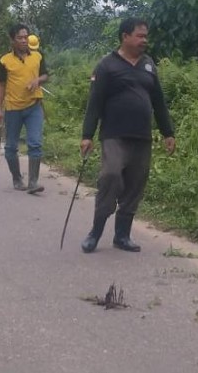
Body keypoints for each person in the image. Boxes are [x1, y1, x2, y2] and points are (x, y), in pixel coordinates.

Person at [79, 18, 176, 253]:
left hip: (142, 137)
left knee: (135, 185)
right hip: (114, 135)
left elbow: (159, 102)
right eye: (140, 36)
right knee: (110, 176)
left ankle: (122, 235)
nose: (145, 40)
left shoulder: (148, 65)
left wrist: (168, 132)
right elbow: (94, 103)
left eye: (145, 36)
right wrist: (87, 135)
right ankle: (96, 231)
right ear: (125, 36)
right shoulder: (107, 66)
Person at [0, 24, 49, 194]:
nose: (24, 40)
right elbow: (0, 85)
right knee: (11, 147)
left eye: (26, 37)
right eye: (20, 37)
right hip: (13, 109)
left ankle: (33, 182)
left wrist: (37, 81)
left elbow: (46, 75)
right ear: (12, 40)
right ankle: (17, 178)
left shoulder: (38, 56)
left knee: (35, 144)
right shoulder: (4, 61)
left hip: (34, 107)